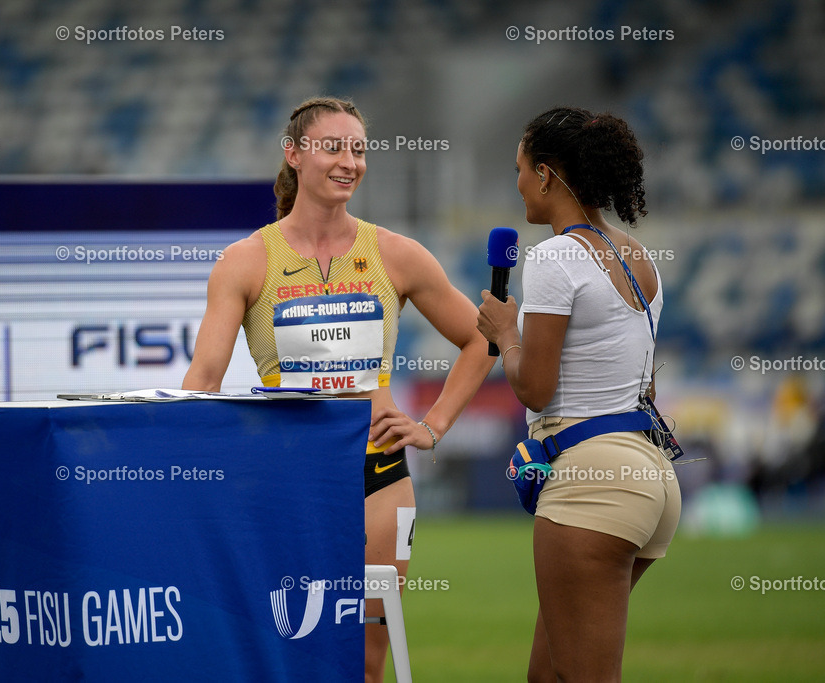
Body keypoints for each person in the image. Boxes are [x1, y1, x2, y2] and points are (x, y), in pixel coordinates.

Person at [182, 96, 493, 682]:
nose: (349, 161)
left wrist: (433, 425)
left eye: (359, 149)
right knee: (280, 652)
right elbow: (203, 381)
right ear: (294, 154)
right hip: (282, 476)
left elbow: (482, 340)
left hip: (377, 474)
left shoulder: (397, 255)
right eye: (333, 147)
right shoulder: (245, 261)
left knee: (370, 658)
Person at [476, 106, 682, 682]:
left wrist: (504, 334)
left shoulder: (553, 256)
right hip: (649, 475)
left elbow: (535, 388)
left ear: (545, 175)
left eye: (519, 169)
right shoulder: (638, 255)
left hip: (594, 482)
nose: (516, 183)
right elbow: (641, 384)